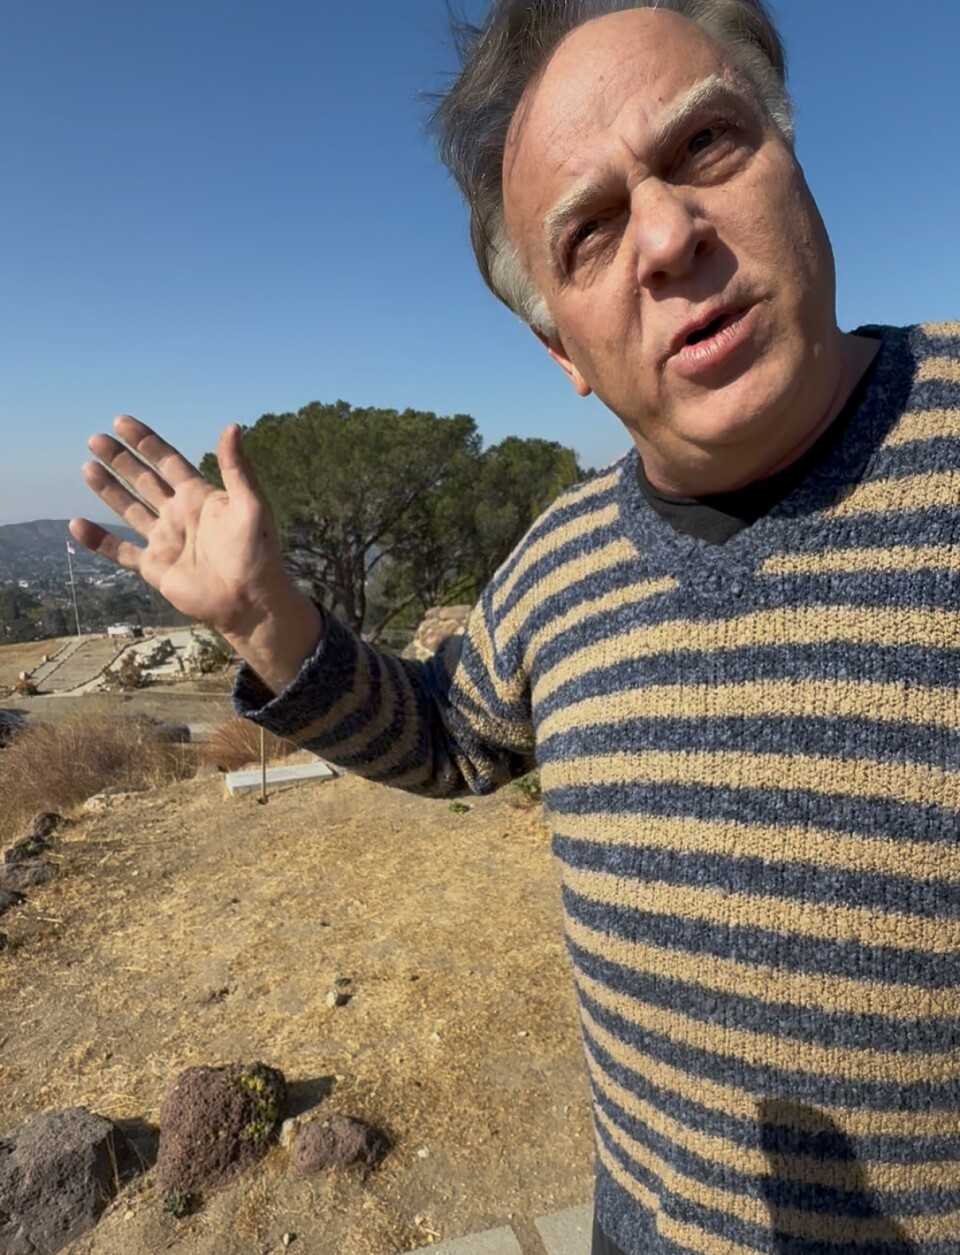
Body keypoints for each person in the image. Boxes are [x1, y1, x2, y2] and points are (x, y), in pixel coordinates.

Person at [71, 2, 960, 1252]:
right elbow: (451, 737)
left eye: (707, 143)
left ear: (793, 162)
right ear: (561, 352)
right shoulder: (561, 560)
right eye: (587, 232)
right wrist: (269, 619)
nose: (665, 236)